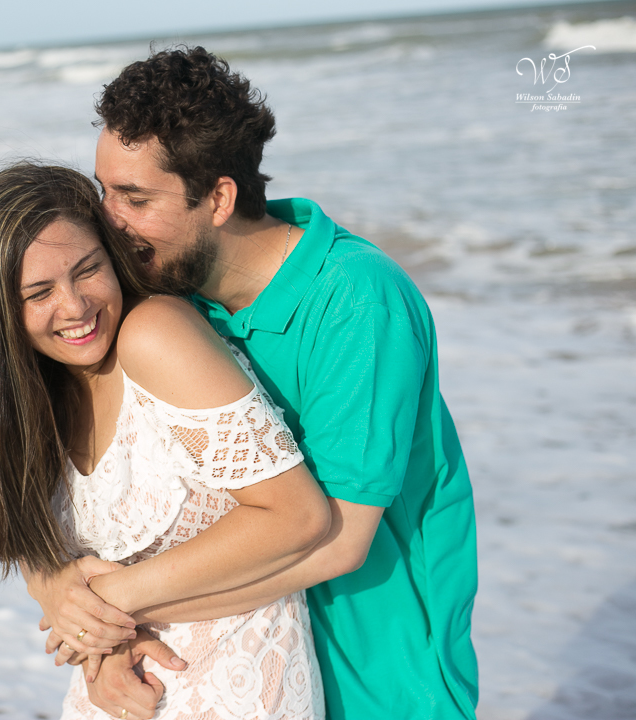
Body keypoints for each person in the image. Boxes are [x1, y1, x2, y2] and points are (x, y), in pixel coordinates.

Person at [25, 47, 479, 720]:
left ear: (219, 198)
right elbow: (64, 471)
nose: (108, 218)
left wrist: (113, 612)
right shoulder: (160, 295)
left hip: (375, 668)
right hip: (225, 665)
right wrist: (66, 595)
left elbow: (342, 539)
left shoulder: (357, 301)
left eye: (135, 198)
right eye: (103, 190)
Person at [0, 161, 332, 719]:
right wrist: (56, 588)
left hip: (234, 684)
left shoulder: (155, 335)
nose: (75, 306)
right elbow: (23, 532)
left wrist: (113, 602)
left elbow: (296, 515)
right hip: (108, 690)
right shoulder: (32, 397)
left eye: (87, 270)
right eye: (38, 292)